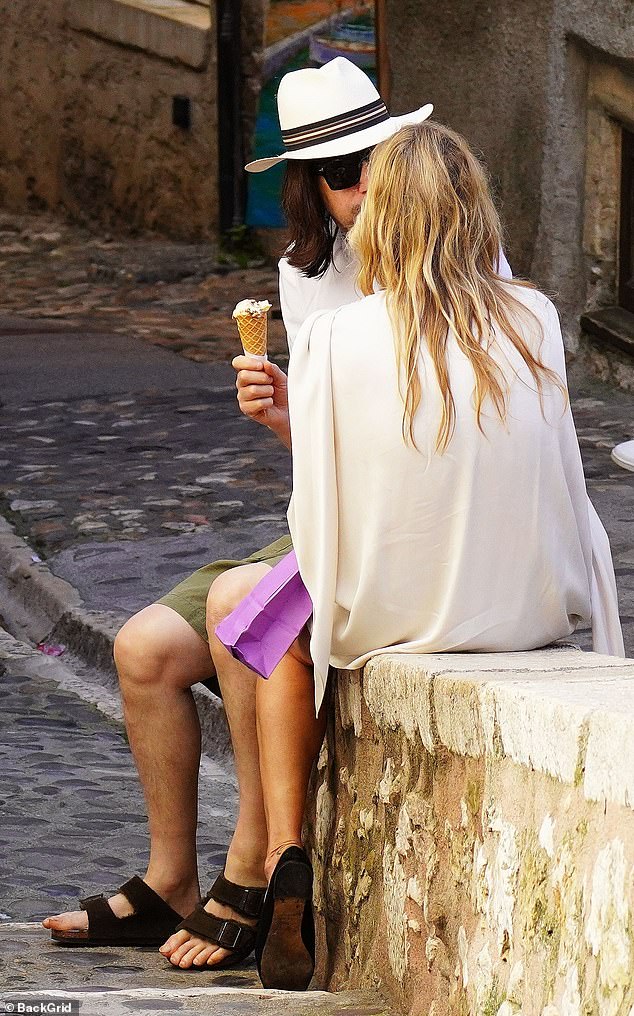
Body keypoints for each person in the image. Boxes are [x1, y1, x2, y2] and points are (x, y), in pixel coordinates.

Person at [42, 58, 436, 967]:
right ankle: (167, 880)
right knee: (142, 650)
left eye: (378, 159)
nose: (366, 189)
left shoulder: (444, 264)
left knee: (240, 614)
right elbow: (334, 449)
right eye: (341, 175)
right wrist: (282, 416)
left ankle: (251, 869)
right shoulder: (307, 275)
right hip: (321, 517)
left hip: (386, 528)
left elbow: (420, 454)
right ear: (310, 185)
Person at [217, 120, 625, 989]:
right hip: (529, 605)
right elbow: (562, 479)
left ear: (384, 220)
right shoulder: (539, 318)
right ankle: (278, 852)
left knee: (271, 620)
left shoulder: (338, 339)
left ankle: (285, 850)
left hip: (399, 612)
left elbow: (321, 511)